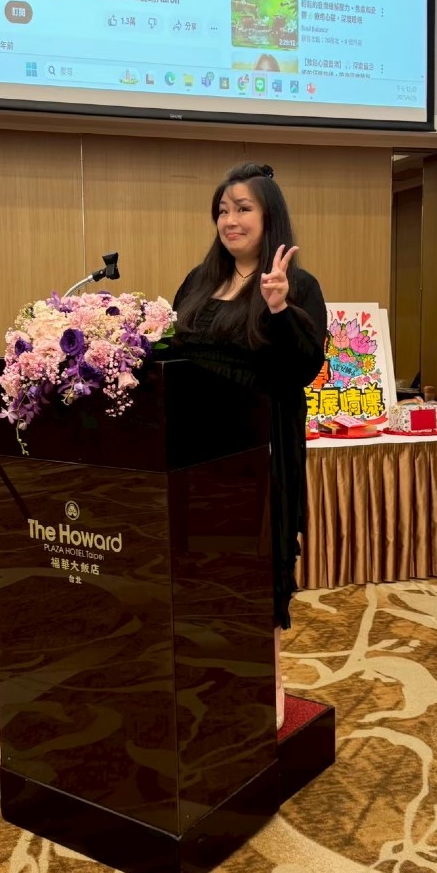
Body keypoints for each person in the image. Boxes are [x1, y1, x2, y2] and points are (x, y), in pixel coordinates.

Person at [172, 162, 326, 728]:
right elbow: (172, 348)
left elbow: (304, 368)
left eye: (242, 209)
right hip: (196, 451)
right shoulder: (199, 278)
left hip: (257, 453)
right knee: (202, 569)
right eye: (222, 209)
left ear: (268, 217)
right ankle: (208, 680)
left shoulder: (298, 285)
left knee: (253, 572)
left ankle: (265, 682)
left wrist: (280, 308)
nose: (229, 220)